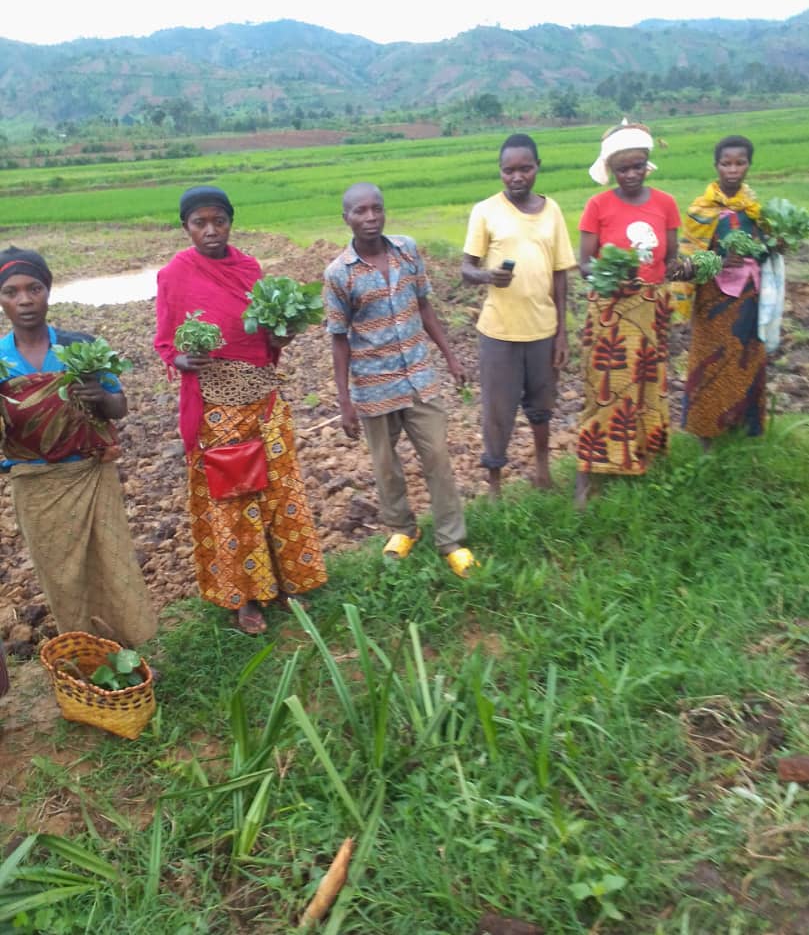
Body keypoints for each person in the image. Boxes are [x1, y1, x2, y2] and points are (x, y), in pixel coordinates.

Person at [154, 186, 327, 635]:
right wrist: (181, 360)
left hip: (264, 398)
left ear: (231, 222)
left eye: (219, 221)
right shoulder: (175, 274)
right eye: (200, 223)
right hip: (214, 405)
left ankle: (294, 581)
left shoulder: (250, 268)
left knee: (279, 490)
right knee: (231, 498)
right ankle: (244, 597)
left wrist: (283, 335)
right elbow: (165, 342)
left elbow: (268, 336)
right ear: (186, 227)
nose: (211, 231)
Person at [0, 246, 156, 646]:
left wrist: (98, 397)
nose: (24, 300)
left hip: (90, 475)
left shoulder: (80, 346)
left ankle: (130, 649)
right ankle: (86, 654)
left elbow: (118, 407)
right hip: (35, 485)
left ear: (48, 291)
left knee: (113, 563)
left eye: (33, 288)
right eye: (11, 292)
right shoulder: (1, 360)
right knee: (62, 577)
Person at [324, 182, 477, 577]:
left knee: (438, 457)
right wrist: (344, 401)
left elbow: (424, 307)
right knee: (386, 464)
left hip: (420, 378)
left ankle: (452, 540)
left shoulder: (407, 250)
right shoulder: (339, 274)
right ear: (347, 218)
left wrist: (450, 356)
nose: (371, 217)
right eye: (360, 211)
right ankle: (402, 529)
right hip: (373, 386)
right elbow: (339, 340)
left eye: (377, 208)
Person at [461, 134, 577, 496]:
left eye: (525, 168)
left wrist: (562, 333)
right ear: (500, 172)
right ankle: (495, 485)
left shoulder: (552, 211)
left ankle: (543, 469)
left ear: (537, 167)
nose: (517, 177)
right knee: (498, 409)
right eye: (509, 170)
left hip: (543, 329)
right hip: (498, 332)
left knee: (542, 405)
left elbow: (560, 274)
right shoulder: (485, 211)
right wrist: (487, 276)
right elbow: (467, 269)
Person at [575, 123, 681, 508]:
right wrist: (611, 273)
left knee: (648, 387)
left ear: (647, 163)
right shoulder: (598, 206)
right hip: (610, 311)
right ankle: (589, 474)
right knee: (605, 388)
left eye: (638, 165)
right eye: (624, 169)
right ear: (613, 171)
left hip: (651, 308)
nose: (632, 174)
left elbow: (669, 259)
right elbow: (583, 262)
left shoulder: (665, 204)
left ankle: (641, 461)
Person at [676, 136, 767, 444]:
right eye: (726, 163)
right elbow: (689, 263)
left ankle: (743, 431)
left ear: (749, 165)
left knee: (747, 361)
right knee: (710, 365)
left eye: (740, 163)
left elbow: (763, 250)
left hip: (748, 299)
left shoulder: (753, 209)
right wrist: (719, 259)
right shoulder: (702, 210)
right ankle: (707, 438)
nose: (733, 169)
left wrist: (774, 245)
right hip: (712, 303)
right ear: (716, 166)